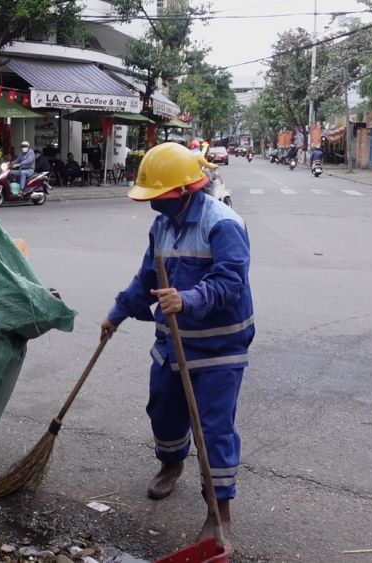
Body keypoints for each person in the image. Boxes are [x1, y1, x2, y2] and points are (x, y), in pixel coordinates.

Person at [100, 142, 254, 546]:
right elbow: (147, 276)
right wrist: (117, 313)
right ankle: (171, 464)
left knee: (213, 431)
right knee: (164, 411)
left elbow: (231, 283)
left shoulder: (223, 224)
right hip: (172, 342)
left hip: (219, 348)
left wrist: (188, 299)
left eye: (160, 195)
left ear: (186, 190)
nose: (153, 203)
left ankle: (219, 512)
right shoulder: (162, 226)